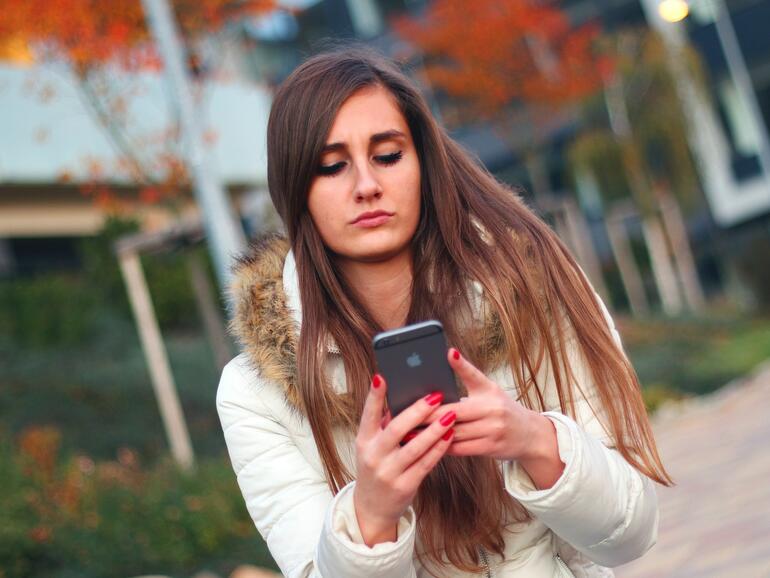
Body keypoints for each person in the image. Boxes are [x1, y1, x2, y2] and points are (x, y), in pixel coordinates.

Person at [217, 47, 671, 578]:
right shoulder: (255, 395)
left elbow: (631, 534)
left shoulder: (531, 287)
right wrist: (370, 515)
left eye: (387, 155)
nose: (366, 185)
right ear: (295, 187)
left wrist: (535, 441)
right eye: (332, 166)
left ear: (422, 162)